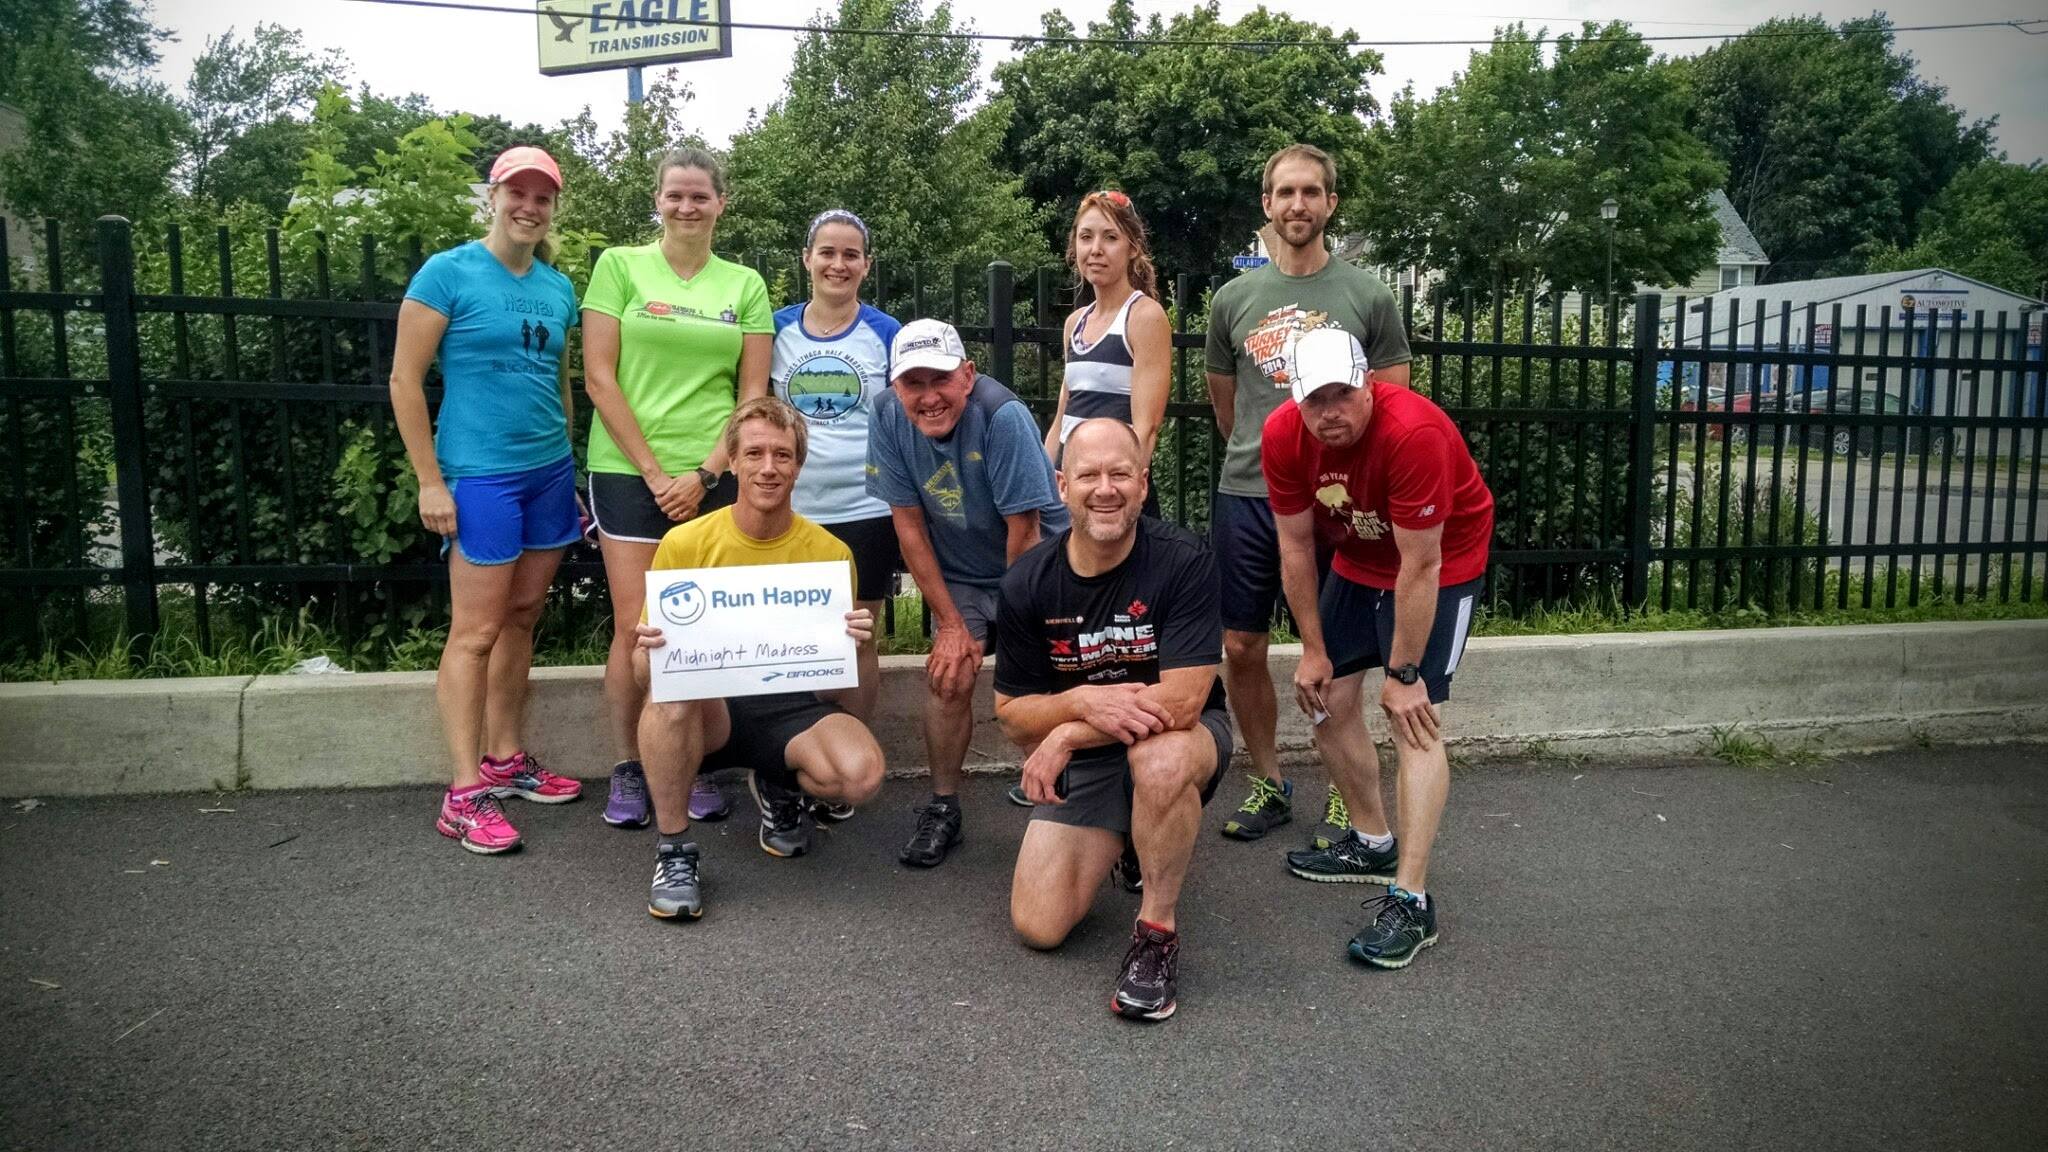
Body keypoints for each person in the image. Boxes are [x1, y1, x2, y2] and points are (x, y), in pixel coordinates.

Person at [1262, 327, 1493, 970]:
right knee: (1324, 701)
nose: (1330, 412)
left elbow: (1421, 564)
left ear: (1368, 383)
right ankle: (1371, 840)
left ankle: (1412, 899)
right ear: (1296, 399)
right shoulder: (1281, 435)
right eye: (1315, 399)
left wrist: (1405, 672)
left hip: (1442, 563)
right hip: (1359, 559)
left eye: (1343, 393)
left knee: (1413, 718)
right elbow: (1296, 547)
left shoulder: (1413, 432)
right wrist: (1312, 649)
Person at [1204, 142, 1414, 847]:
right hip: (1248, 492)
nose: (1298, 205)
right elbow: (1229, 406)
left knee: (1338, 652)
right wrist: (1267, 453)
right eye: (1285, 192)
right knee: (1242, 644)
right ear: (1267, 204)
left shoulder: (1367, 296)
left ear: (1330, 203)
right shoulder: (1233, 300)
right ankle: (1269, 780)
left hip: (1337, 501)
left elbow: (1392, 403)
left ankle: (1344, 793)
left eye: (1311, 192)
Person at [996, 419, 1231, 1021]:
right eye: (1089, 475)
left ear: (1143, 484)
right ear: (1062, 486)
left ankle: (1156, 934)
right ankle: (1130, 834)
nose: (1106, 489)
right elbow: (1013, 716)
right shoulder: (1027, 581)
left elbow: (1183, 702)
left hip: (1184, 737)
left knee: (1159, 760)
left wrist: (1068, 731)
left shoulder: (1184, 560)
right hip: (1096, 756)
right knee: (1038, 926)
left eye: (1121, 474)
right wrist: (1079, 702)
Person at [392, 145, 583, 854]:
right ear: (494, 197)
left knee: (523, 614)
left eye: (542, 197)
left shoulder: (557, 288)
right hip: (480, 476)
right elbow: (404, 381)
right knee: (474, 632)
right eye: (517, 193)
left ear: (552, 207)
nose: (529, 207)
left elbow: (559, 382)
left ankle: (505, 759)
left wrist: (570, 465)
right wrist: (430, 480)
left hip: (548, 472)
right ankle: (464, 791)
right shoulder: (447, 273)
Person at [631, 397, 886, 919]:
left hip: (792, 706)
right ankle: (675, 850)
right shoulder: (685, 543)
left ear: (798, 465)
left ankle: (779, 780)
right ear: (731, 461)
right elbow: (643, 679)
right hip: (712, 708)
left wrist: (860, 649)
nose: (768, 468)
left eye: (782, 455)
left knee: (860, 776)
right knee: (669, 690)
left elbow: (842, 694)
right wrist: (650, 652)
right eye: (754, 454)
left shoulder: (831, 553)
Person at [583, 147, 773, 832]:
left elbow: (752, 394)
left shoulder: (744, 283)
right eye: (675, 195)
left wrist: (705, 474)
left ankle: (692, 761)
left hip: (713, 474)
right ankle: (631, 765)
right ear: (658, 201)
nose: (687, 206)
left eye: (700, 195)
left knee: (706, 626)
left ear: (722, 203)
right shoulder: (619, 267)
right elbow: (598, 376)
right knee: (638, 626)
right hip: (627, 470)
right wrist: (657, 474)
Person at [867, 318, 1069, 867]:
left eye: (941, 379)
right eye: (913, 383)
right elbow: (908, 525)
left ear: (968, 375)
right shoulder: (886, 416)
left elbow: (1024, 531)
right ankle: (943, 807)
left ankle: (1070, 803)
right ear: (895, 387)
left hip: (1038, 565)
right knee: (948, 675)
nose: (929, 396)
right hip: (961, 571)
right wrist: (952, 626)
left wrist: (1019, 633)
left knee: (1041, 684)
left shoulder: (1002, 416)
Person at [771, 209, 902, 734]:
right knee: (787, 636)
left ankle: (851, 748)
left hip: (865, 508)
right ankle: (790, 749)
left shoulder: (886, 332)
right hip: (790, 509)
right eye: (827, 252)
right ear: (807, 259)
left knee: (857, 638)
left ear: (866, 265)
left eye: (851, 255)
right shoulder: (775, 328)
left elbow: (903, 420)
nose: (838, 264)